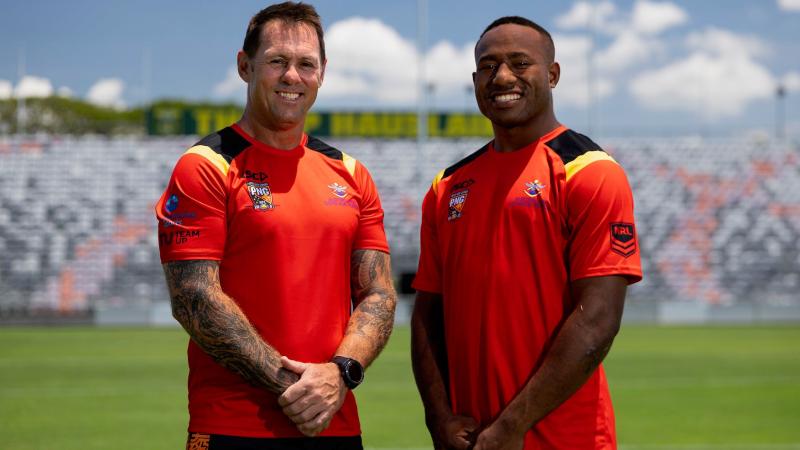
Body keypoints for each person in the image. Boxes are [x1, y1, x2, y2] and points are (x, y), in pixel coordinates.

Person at [155, 3, 397, 449]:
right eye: (277, 61)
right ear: (245, 66)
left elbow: (378, 294)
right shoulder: (205, 166)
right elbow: (194, 299)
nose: (292, 76)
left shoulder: (351, 172)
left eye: (306, 64)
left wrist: (340, 374)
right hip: (232, 426)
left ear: (323, 73)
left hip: (334, 423)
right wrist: (299, 387)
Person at [411, 16, 643, 450]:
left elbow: (597, 321)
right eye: (489, 65)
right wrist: (438, 417)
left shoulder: (590, 172)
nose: (502, 77)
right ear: (476, 78)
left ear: (552, 75)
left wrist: (512, 425)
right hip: (471, 439)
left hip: (565, 439)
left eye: (520, 63)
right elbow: (427, 316)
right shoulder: (445, 187)